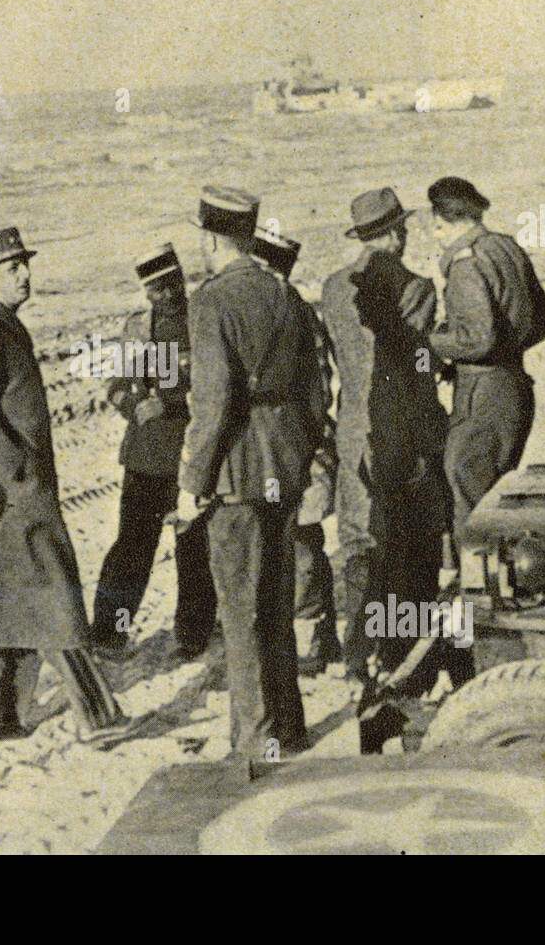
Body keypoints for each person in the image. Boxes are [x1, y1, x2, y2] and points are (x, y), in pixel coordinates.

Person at [0, 226, 141, 748]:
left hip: (4, 496)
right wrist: (16, 467)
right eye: (11, 269)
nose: (24, 275)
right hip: (8, 497)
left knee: (14, 601)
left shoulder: (1, 322)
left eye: (24, 264)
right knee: (55, 599)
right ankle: (99, 720)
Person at [176, 187, 329, 771]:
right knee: (276, 603)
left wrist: (195, 479)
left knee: (241, 610)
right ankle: (289, 729)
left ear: (211, 239)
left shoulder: (211, 301)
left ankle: (256, 741)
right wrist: (295, 451)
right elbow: (316, 393)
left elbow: (212, 403)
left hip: (237, 471)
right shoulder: (285, 293)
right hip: (282, 469)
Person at [320, 188, 453, 681]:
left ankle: (358, 655)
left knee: (359, 541)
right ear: (396, 234)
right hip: (404, 432)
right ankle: (405, 659)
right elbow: (416, 363)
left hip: (355, 428)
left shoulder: (334, 289)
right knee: (410, 545)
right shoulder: (416, 287)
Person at [89, 243, 218, 662]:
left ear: (181, 278)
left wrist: (171, 403)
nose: (166, 295)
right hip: (146, 458)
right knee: (132, 548)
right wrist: (135, 408)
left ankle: (192, 635)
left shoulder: (205, 319)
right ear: (145, 292)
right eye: (156, 289)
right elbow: (115, 387)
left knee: (194, 550)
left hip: (190, 453)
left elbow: (215, 386)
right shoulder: (137, 328)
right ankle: (110, 633)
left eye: (171, 284)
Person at [426, 177, 545, 545]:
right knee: (496, 496)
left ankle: (477, 594)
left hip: (481, 394)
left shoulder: (466, 264)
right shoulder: (506, 249)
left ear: (446, 221)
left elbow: (477, 338)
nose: (437, 238)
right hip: (514, 387)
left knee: (470, 496)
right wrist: (509, 347)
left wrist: (432, 343)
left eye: (436, 229)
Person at [249, 229, 343, 676]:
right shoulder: (260, 312)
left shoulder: (299, 315)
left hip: (300, 451)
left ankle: (314, 635)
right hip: (271, 454)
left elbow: (319, 393)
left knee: (302, 547)